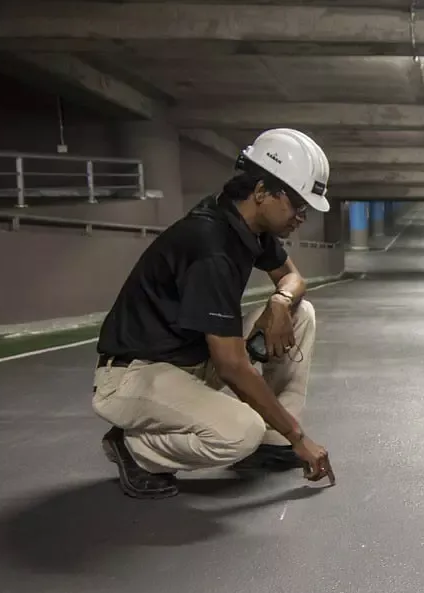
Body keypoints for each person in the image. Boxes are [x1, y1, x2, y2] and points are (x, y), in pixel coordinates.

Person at [92, 128, 336, 499]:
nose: (302, 216)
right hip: (135, 375)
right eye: (297, 204)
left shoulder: (247, 227)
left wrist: (280, 302)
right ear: (261, 192)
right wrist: (299, 438)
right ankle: (137, 449)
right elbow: (232, 367)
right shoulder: (210, 247)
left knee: (301, 314)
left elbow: (291, 277)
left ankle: (273, 440)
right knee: (240, 433)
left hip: (189, 361)